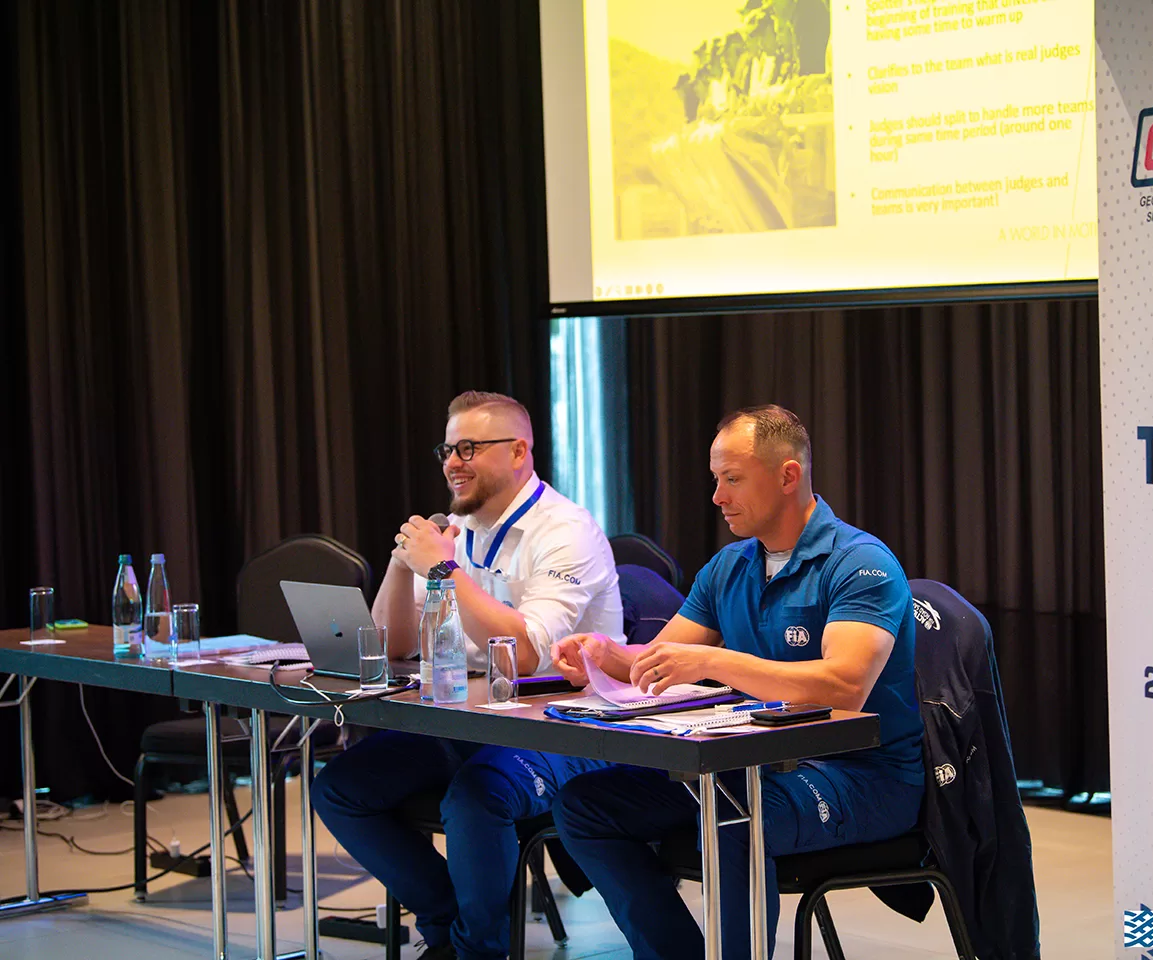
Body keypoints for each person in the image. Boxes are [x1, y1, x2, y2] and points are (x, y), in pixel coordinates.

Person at [549, 404, 925, 960]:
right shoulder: (730, 565)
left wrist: (715, 663)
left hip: (865, 778)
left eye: (731, 479)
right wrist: (606, 655)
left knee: (733, 819)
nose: (717, 497)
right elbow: (657, 660)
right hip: (751, 769)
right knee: (585, 805)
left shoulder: (861, 562)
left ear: (788, 475)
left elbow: (844, 687)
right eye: (715, 479)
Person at [313, 390, 625, 960]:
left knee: (477, 797)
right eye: (447, 449)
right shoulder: (454, 531)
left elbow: (526, 652)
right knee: (341, 788)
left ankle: (478, 951)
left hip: (567, 724)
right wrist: (403, 558)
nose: (452, 462)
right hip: (474, 719)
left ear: (518, 453)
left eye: (469, 448)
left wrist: (440, 566)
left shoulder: (565, 529)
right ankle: (447, 927)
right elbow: (393, 646)